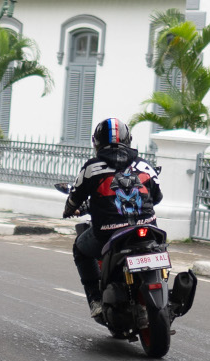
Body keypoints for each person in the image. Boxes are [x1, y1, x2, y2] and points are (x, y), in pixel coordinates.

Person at [62, 117, 162, 318]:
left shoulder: (92, 167)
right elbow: (157, 197)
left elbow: (75, 197)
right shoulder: (145, 166)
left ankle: (96, 300)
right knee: (159, 249)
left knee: (80, 249)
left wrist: (69, 209)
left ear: (96, 142)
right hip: (149, 228)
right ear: (129, 140)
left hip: (109, 232)